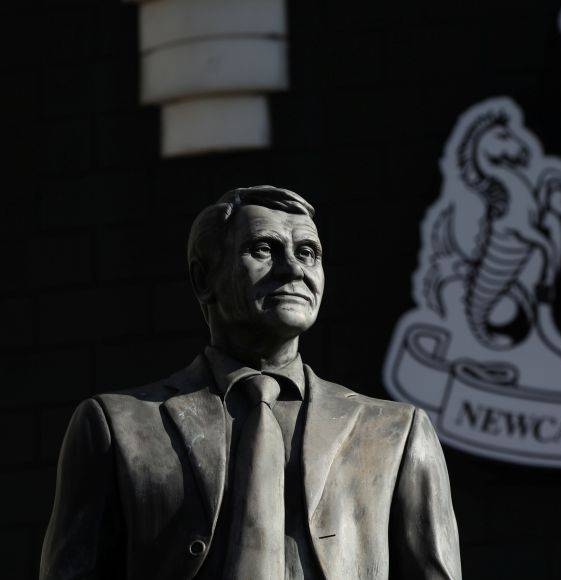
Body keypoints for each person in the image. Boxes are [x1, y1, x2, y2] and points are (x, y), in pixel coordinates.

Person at [40, 186, 461, 579]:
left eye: (309, 253)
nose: (294, 268)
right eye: (264, 249)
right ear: (203, 279)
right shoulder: (118, 427)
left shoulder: (396, 434)